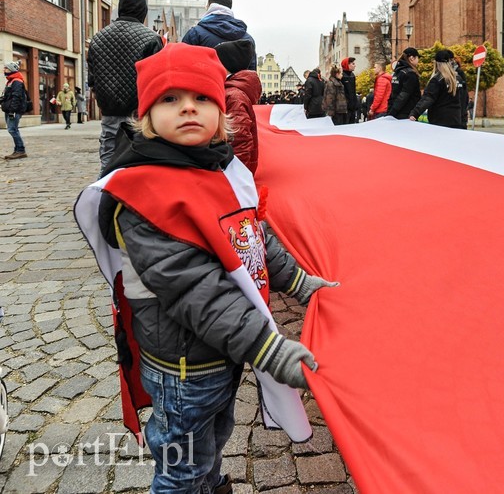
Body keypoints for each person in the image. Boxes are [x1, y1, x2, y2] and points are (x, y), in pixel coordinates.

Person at [76, 43, 337, 493]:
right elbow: (195, 288)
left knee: (213, 442)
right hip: (182, 366)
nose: (188, 110)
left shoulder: (222, 170)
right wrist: (267, 349)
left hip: (222, 355)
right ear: (146, 114)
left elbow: (251, 236)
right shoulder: (141, 193)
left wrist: (298, 280)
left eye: (201, 99)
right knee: (181, 468)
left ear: (221, 111)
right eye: (170, 100)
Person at [88, 0, 163, 174]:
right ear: (143, 12)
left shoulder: (98, 38)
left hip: (110, 110)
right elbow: (157, 80)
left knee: (108, 158)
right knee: (139, 160)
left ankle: (104, 196)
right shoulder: (151, 39)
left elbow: (92, 79)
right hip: (139, 112)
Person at [215, 39, 262, 174]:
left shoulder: (233, 96)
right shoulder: (231, 91)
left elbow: (239, 141)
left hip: (230, 172)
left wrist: (235, 177)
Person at [182, 0, 257, 70]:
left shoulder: (195, 33)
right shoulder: (247, 39)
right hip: (236, 82)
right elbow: (251, 75)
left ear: (209, 7)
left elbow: (182, 64)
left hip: (206, 81)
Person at [409, 49, 466, 129]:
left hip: (440, 120)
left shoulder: (437, 80)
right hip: (455, 118)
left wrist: (414, 113)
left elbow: (427, 98)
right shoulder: (458, 78)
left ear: (436, 63)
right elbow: (463, 99)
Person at [1, 61, 28, 159]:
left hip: (14, 110)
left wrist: (12, 111)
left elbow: (16, 97)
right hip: (10, 109)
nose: (4, 70)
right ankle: (18, 150)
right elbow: (8, 96)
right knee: (13, 129)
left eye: (6, 68)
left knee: (12, 129)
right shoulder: (11, 80)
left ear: (11, 70)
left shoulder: (17, 81)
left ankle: (20, 150)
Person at [388, 47, 421, 119]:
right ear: (412, 58)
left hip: (395, 110)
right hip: (406, 112)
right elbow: (404, 95)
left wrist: (390, 111)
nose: (418, 61)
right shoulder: (410, 73)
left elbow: (393, 93)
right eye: (417, 58)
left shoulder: (397, 72)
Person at [340, 57, 359, 124]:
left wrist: (355, 103)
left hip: (352, 106)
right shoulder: (342, 76)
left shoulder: (352, 75)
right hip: (345, 107)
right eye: (353, 64)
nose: (355, 65)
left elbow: (353, 92)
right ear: (347, 65)